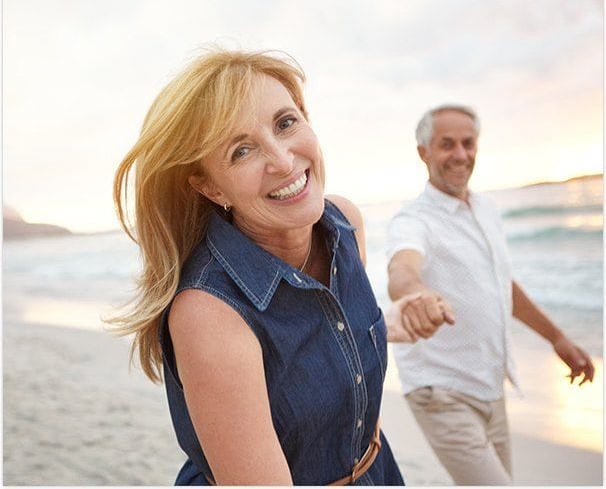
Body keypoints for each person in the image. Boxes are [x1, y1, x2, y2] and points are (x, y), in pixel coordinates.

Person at [109, 48, 441, 485]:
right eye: (241, 150)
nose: (283, 161)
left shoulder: (344, 225)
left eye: (286, 123)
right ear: (209, 185)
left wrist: (395, 319)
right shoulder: (208, 312)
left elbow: (327, 334)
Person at [385, 104, 595, 486]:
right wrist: (417, 296)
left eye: (468, 143)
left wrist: (557, 337)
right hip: (441, 392)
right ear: (423, 152)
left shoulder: (486, 209)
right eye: (446, 144)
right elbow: (402, 270)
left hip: (489, 384)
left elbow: (502, 285)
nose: (461, 155)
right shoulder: (413, 221)